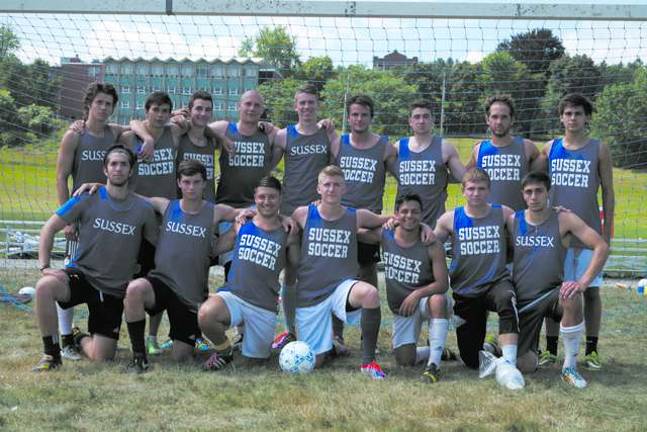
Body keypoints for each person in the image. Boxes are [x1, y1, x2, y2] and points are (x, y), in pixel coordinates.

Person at [32, 145, 158, 371]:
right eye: (113, 164)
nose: (118, 168)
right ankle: (51, 355)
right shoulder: (86, 197)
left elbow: (158, 245)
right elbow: (48, 228)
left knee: (102, 357)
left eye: (124, 164)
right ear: (105, 169)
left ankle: (78, 337)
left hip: (113, 288)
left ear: (131, 171)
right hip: (83, 276)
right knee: (44, 287)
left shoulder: (143, 210)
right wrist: (44, 266)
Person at [118, 160, 250, 373]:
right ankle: (139, 357)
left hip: (189, 295)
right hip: (161, 282)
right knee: (134, 290)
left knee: (181, 357)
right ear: (178, 183)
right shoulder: (166, 206)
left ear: (204, 184)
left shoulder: (215, 211)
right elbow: (129, 195)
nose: (191, 187)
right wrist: (97, 186)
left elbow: (248, 213)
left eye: (196, 182)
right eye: (186, 182)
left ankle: (189, 339)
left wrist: (239, 222)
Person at [291, 165, 394, 379]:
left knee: (370, 294)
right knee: (314, 362)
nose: (331, 189)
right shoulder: (302, 214)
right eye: (327, 184)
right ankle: (330, 346)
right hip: (310, 295)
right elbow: (284, 227)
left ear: (344, 189)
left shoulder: (355, 216)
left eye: (337, 185)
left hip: (340, 289)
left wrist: (393, 222)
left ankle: (368, 363)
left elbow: (388, 220)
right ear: (318, 188)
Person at [536, 93, 615, 370]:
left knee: (590, 292)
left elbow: (608, 190)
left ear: (586, 117)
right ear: (561, 117)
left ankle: (591, 350)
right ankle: (550, 349)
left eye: (578, 113)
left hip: (589, 233)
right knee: (555, 291)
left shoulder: (599, 149)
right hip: (556, 235)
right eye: (568, 113)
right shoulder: (550, 148)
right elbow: (532, 180)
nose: (573, 118)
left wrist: (608, 229)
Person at [54, 82, 131, 361]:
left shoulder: (116, 134)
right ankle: (65, 338)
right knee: (68, 276)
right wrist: (67, 218)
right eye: (99, 102)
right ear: (89, 104)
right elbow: (62, 177)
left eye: (108, 104)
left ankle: (96, 331)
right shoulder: (74, 136)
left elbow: (137, 126)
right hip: (81, 219)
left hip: (107, 221)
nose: (103, 108)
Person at [510, 171, 609, 388]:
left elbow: (600, 245)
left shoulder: (563, 219)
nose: (534, 196)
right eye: (529, 192)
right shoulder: (512, 220)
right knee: (525, 365)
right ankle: (507, 349)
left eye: (539, 191)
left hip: (553, 293)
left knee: (572, 295)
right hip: (524, 302)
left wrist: (582, 282)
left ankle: (569, 367)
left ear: (549, 193)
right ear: (523, 195)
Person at [198, 176, 300, 369]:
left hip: (263, 306)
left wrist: (294, 232)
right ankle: (224, 351)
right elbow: (215, 249)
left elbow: (296, 266)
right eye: (262, 197)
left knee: (253, 364)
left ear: (280, 198)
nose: (266, 202)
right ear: (255, 197)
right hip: (234, 296)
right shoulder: (243, 223)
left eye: (272, 197)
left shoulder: (288, 231)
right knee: (206, 314)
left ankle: (247, 342)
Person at [266, 83, 339, 349]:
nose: (307, 107)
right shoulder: (285, 136)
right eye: (302, 103)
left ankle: (323, 329)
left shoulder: (326, 133)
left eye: (311, 102)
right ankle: (290, 329)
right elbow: (267, 166)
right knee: (291, 271)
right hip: (289, 214)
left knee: (319, 271)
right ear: (295, 106)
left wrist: (333, 133)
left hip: (319, 214)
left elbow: (339, 162)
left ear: (317, 105)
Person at [434, 168, 521, 381]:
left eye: (481, 189)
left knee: (507, 299)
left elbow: (531, 226)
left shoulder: (503, 213)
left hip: (496, 282)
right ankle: (491, 345)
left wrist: (552, 212)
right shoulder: (449, 219)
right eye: (471, 189)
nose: (476, 193)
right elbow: (428, 245)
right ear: (463, 191)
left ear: (489, 191)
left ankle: (510, 362)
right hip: (466, 290)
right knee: (472, 361)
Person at [330, 94, 397, 353]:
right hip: (337, 221)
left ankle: (366, 338)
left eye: (364, 114)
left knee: (367, 278)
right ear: (349, 117)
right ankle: (336, 336)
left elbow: (405, 175)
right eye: (354, 114)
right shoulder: (337, 144)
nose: (359, 119)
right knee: (336, 278)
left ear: (371, 117)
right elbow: (325, 178)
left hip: (368, 223)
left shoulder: (384, 147)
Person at [360, 194, 450, 383]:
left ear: (422, 214)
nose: (410, 216)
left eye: (415, 212)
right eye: (404, 212)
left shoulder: (431, 243)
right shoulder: (386, 234)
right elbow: (356, 227)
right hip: (403, 308)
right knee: (404, 360)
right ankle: (438, 351)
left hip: (426, 300)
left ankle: (434, 365)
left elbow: (442, 284)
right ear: (396, 215)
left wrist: (417, 294)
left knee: (438, 299)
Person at [393, 100, 465, 227]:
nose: (421, 121)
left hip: (435, 225)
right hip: (404, 223)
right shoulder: (399, 147)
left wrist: (443, 178)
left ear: (432, 120)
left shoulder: (444, 148)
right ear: (410, 121)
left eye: (426, 116)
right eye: (417, 117)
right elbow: (380, 175)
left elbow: (465, 178)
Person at [467, 94, 540, 211]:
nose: (499, 122)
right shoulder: (479, 149)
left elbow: (544, 180)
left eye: (504, 117)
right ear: (487, 119)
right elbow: (463, 176)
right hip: (487, 221)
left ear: (512, 120)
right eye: (494, 117)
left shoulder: (527, 147)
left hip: (519, 219)